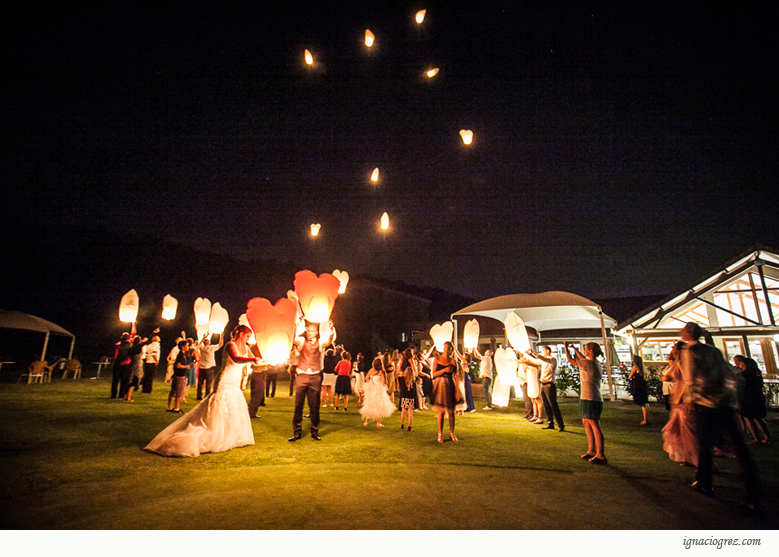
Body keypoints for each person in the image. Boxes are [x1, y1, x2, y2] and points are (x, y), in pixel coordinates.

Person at [680, 322, 761, 512]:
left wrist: (689, 399)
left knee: (705, 444)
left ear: (686, 334)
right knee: (739, 447)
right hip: (724, 402)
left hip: (705, 403)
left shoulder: (690, 352)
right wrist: (734, 398)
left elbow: (690, 379)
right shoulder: (713, 351)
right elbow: (730, 373)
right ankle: (752, 492)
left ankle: (705, 481)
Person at [145, 325, 259, 457]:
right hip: (225, 380)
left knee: (233, 407)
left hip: (235, 382)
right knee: (218, 407)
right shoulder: (230, 345)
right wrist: (253, 359)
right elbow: (236, 359)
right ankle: (213, 436)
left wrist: (266, 362)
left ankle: (229, 437)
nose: (248, 339)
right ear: (240, 334)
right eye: (247, 336)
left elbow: (255, 363)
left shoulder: (246, 348)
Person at [289, 320, 335, 442]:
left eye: (312, 331)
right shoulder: (302, 341)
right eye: (308, 331)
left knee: (314, 406)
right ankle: (297, 432)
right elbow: (293, 338)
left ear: (316, 332)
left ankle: (314, 431)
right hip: (302, 376)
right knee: (298, 405)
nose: (310, 333)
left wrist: (331, 329)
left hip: (315, 376)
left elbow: (329, 341)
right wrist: (297, 324)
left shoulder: (320, 342)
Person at [565, 341, 607, 464]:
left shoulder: (589, 364)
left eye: (586, 349)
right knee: (586, 423)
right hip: (588, 397)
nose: (584, 350)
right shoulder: (594, 363)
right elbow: (582, 358)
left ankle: (600, 454)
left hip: (591, 398)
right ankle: (591, 450)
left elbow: (570, 360)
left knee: (594, 425)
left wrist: (567, 348)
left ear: (591, 351)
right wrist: (575, 349)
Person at [659, 341, 697, 467]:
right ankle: (686, 457)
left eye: (674, 348)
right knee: (681, 432)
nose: (672, 350)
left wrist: (682, 399)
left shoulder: (684, 364)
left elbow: (687, 381)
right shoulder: (676, 364)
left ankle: (701, 462)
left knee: (689, 432)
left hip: (684, 400)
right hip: (678, 400)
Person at [733, 356, 771, 445]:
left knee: (749, 418)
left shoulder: (744, 374)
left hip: (748, 398)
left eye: (740, 363)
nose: (738, 364)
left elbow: (739, 384)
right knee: (757, 418)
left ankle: (757, 438)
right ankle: (766, 437)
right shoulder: (756, 374)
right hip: (757, 397)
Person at [526, 346, 565, 431]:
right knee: (546, 405)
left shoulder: (552, 360)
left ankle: (560, 425)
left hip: (549, 385)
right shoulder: (543, 360)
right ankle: (550, 423)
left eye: (543, 350)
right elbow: (535, 361)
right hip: (543, 384)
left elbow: (543, 359)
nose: (541, 351)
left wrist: (533, 353)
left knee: (553, 405)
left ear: (548, 351)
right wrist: (526, 354)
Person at [431, 342, 461, 443]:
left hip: (449, 384)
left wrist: (457, 391)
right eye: (445, 347)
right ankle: (440, 433)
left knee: (451, 410)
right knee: (441, 410)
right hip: (440, 385)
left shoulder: (453, 361)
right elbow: (434, 374)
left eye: (449, 348)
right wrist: (444, 370)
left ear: (451, 350)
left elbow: (456, 376)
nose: (446, 350)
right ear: (443, 348)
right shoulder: (437, 359)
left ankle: (452, 433)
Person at [361, 357, 395, 427]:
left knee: (369, 404)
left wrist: (371, 383)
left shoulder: (371, 370)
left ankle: (366, 421)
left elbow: (366, 378)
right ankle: (378, 422)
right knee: (378, 405)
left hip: (372, 388)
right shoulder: (381, 372)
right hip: (378, 390)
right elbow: (383, 381)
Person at [123, 330, 157, 402]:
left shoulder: (130, 348)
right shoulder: (137, 348)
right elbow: (147, 341)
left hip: (130, 366)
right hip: (136, 366)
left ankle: (125, 396)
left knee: (129, 381)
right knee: (134, 381)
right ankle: (128, 397)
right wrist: (153, 333)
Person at [167, 340, 193, 413]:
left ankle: (169, 407)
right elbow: (178, 365)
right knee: (179, 392)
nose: (188, 347)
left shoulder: (182, 354)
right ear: (183, 347)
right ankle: (176, 408)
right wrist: (188, 366)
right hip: (180, 376)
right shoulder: (181, 355)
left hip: (176, 375)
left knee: (173, 391)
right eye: (187, 345)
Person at [196, 333, 224, 400]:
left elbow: (198, 345)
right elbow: (221, 345)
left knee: (200, 383)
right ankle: (207, 396)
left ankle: (199, 396)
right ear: (209, 342)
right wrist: (221, 336)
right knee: (208, 383)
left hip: (202, 367)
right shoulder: (211, 348)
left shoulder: (202, 348)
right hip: (209, 368)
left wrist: (203, 338)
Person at [519, 354, 543, 424]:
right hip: (530, 384)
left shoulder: (535, 365)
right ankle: (535, 415)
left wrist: (523, 361)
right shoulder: (528, 366)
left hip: (534, 383)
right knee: (533, 400)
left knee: (538, 400)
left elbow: (533, 364)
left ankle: (540, 417)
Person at [247, 342, 269, 417]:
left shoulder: (255, 348)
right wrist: (268, 363)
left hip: (258, 372)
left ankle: (252, 411)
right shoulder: (255, 349)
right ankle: (251, 412)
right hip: (258, 373)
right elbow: (256, 363)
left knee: (255, 393)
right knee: (258, 393)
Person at [397, 348, 416, 430]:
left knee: (403, 409)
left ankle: (402, 424)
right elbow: (415, 369)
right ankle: (409, 426)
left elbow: (399, 370)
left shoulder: (402, 361)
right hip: (410, 390)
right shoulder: (410, 360)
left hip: (404, 388)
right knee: (410, 409)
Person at [629, 355, 649, 425]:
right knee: (644, 403)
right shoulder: (642, 368)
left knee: (641, 402)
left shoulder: (635, 367)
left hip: (638, 386)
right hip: (642, 385)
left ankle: (645, 420)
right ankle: (645, 418)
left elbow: (630, 376)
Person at [111, 331, 131, 399]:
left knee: (115, 380)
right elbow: (133, 333)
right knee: (124, 379)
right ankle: (121, 394)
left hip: (118, 362)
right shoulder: (129, 344)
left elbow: (115, 355)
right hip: (125, 363)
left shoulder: (117, 345)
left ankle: (114, 394)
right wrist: (134, 325)